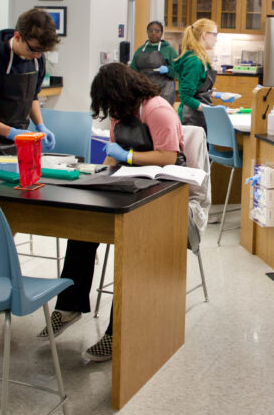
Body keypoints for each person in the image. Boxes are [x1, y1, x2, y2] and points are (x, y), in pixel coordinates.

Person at [54, 62, 186, 361]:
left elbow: (167, 156)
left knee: (131, 247)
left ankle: (117, 333)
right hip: (128, 181)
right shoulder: (120, 111)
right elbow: (114, 154)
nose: (111, 112)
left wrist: (127, 156)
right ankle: (70, 305)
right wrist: (101, 175)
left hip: (162, 188)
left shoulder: (156, 110)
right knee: (83, 227)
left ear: (124, 92)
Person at [0, 8, 61, 154]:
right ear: (17, 36)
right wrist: (10, 133)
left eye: (42, 51)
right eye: (33, 50)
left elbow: (32, 96)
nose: (37, 55)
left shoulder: (37, 59)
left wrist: (40, 125)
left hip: (19, 141)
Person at [174, 18, 238, 128]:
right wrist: (213, 110)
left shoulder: (202, 59)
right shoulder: (194, 62)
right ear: (204, 35)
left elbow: (198, 91)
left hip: (199, 116)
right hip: (191, 118)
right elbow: (186, 97)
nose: (216, 39)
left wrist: (219, 95)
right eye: (215, 35)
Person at [129, 20, 178, 104]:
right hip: (143, 90)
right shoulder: (140, 50)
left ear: (161, 33)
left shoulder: (169, 50)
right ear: (147, 33)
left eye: (157, 31)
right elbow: (132, 71)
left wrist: (168, 69)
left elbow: (177, 72)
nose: (153, 33)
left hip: (163, 91)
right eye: (150, 31)